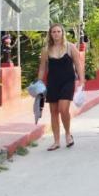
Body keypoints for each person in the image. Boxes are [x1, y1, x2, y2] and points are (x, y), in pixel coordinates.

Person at [37, 23, 85, 151]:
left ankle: (68, 134)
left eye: (58, 31)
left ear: (62, 33)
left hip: (68, 81)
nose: (56, 34)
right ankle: (56, 141)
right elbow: (42, 68)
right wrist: (39, 82)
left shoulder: (70, 47)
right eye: (54, 32)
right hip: (52, 82)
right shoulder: (46, 49)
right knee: (53, 112)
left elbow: (78, 64)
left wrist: (81, 80)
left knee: (63, 109)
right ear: (50, 34)